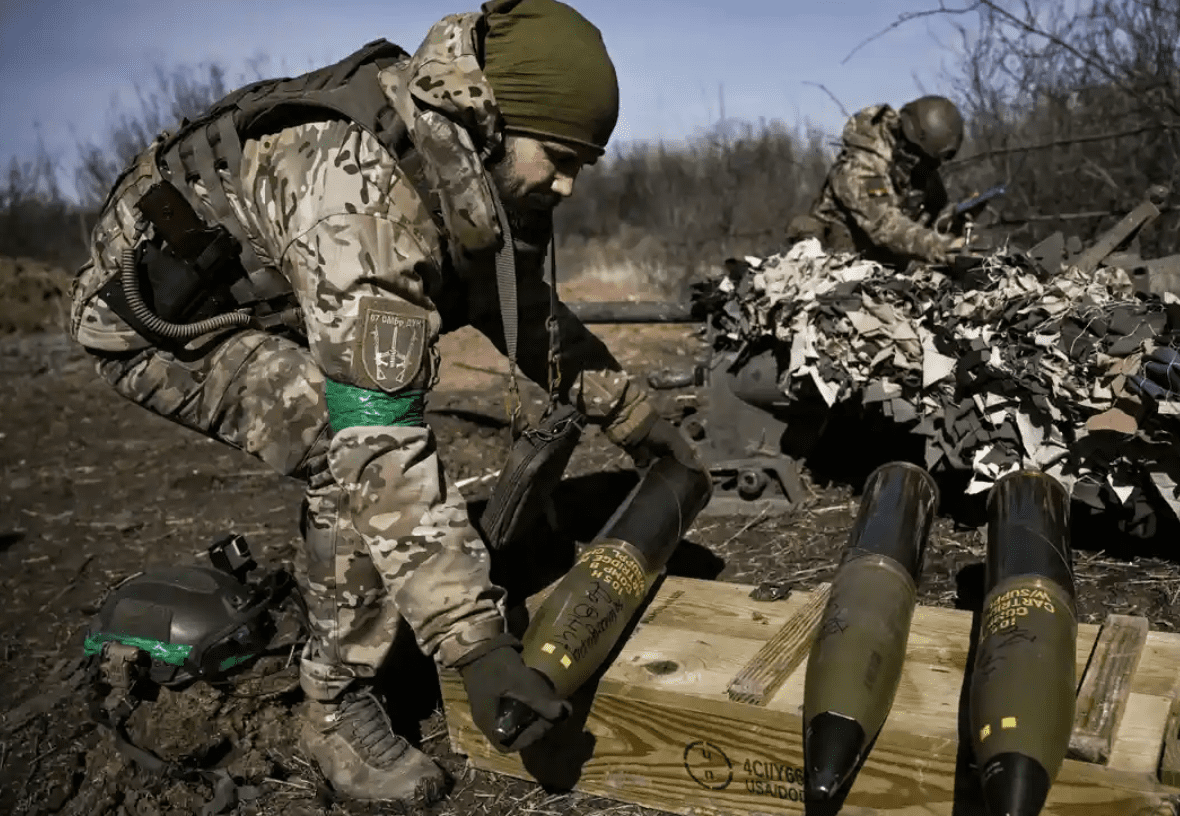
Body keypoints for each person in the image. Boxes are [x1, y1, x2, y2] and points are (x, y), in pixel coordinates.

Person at [66, 0, 704, 804]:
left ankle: (362, 622)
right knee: (347, 465)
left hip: (268, 293)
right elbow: (378, 442)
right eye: (562, 155)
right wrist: (475, 646)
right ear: (495, 119)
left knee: (366, 448)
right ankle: (333, 708)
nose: (570, 183)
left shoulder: (466, 164)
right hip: (162, 328)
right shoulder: (360, 201)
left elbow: (527, 318)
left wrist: (640, 423)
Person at [788, 95, 966, 266]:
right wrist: (940, 247)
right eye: (929, 161)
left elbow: (936, 208)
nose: (933, 168)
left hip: (882, 264)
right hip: (836, 263)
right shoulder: (860, 167)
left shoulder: (913, 166)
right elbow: (885, 226)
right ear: (911, 147)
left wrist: (957, 218)